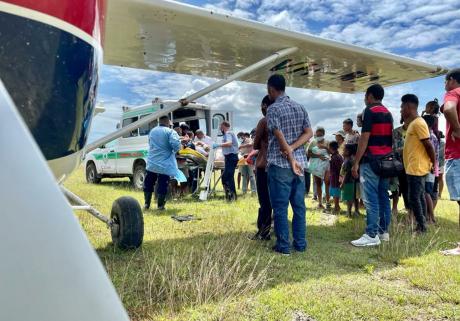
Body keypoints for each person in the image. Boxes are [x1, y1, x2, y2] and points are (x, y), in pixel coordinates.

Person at [266, 74, 313, 255]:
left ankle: (283, 245)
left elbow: (278, 134)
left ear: (271, 89)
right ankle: (300, 244)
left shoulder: (273, 109)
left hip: (280, 165)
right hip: (300, 166)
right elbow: (309, 133)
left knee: (280, 208)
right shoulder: (300, 107)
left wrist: (289, 153)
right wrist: (293, 150)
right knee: (299, 207)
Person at [351, 84, 393, 247]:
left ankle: (371, 234)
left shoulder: (369, 110)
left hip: (371, 160)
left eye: (365, 95)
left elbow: (365, 138)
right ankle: (383, 232)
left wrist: (356, 163)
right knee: (383, 196)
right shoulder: (388, 113)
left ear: (369, 96)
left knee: (370, 199)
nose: (364, 99)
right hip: (386, 161)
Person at [401, 94, 436, 233]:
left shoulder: (419, 123)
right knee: (418, 196)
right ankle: (422, 225)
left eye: (402, 107)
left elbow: (428, 145)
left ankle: (421, 227)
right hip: (412, 167)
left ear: (409, 107)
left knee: (414, 197)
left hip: (417, 167)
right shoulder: (413, 123)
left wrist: (434, 164)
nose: (401, 110)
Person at [144, 115, 182, 211]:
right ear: (168, 123)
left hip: (152, 162)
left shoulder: (152, 131)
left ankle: (146, 204)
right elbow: (176, 145)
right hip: (164, 164)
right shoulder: (170, 131)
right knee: (162, 184)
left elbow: (150, 144)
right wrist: (177, 149)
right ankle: (160, 206)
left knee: (148, 183)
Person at [250, 95, 273, 241]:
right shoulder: (283, 120)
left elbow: (256, 145)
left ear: (265, 106)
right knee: (277, 201)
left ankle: (263, 231)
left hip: (264, 165)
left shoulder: (264, 121)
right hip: (280, 166)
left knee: (264, 200)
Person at [441, 68, 460, 228]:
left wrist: (457, 128)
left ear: (452, 80)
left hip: (457, 154)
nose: (445, 85)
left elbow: (448, 108)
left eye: (445, 81)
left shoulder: (454, 92)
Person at [213, 121, 239, 201]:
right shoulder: (227, 134)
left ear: (223, 126)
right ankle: (229, 195)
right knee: (226, 176)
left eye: (221, 126)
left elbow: (229, 143)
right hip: (229, 157)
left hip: (231, 156)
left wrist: (218, 145)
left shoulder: (228, 133)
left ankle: (232, 196)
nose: (220, 128)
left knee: (228, 176)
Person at [307, 127, 331, 210]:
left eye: (320, 135)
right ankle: (320, 203)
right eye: (317, 135)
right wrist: (318, 156)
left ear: (323, 134)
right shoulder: (313, 142)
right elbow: (308, 153)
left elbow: (332, 152)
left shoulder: (327, 142)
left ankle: (328, 202)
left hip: (326, 165)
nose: (318, 136)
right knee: (318, 184)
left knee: (327, 183)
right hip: (315, 166)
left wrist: (325, 148)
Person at [423, 114, 439, 224]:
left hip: (429, 168)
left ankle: (431, 217)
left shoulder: (430, 137)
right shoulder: (433, 136)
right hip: (432, 167)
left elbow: (430, 153)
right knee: (427, 192)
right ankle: (429, 217)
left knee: (426, 192)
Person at [391, 118, 410, 216]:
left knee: (407, 188)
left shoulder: (414, 130)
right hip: (397, 164)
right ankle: (394, 208)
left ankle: (408, 208)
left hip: (410, 164)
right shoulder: (395, 132)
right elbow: (392, 147)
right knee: (395, 187)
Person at [340, 144, 360, 216]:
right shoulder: (354, 160)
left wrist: (342, 183)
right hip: (355, 181)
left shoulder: (348, 161)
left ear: (348, 152)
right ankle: (356, 211)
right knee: (355, 197)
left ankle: (348, 212)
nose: (343, 151)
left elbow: (347, 173)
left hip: (348, 181)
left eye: (344, 150)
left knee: (349, 198)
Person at [328, 141, 343, 214]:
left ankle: (336, 207)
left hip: (335, 177)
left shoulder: (335, 157)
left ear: (330, 148)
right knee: (334, 192)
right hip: (333, 177)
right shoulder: (336, 156)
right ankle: (336, 206)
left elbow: (339, 168)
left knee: (335, 192)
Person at [438, 132, 445, 198]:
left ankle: (439, 194)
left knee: (440, 177)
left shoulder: (443, 143)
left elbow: (441, 153)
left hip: (440, 162)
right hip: (435, 162)